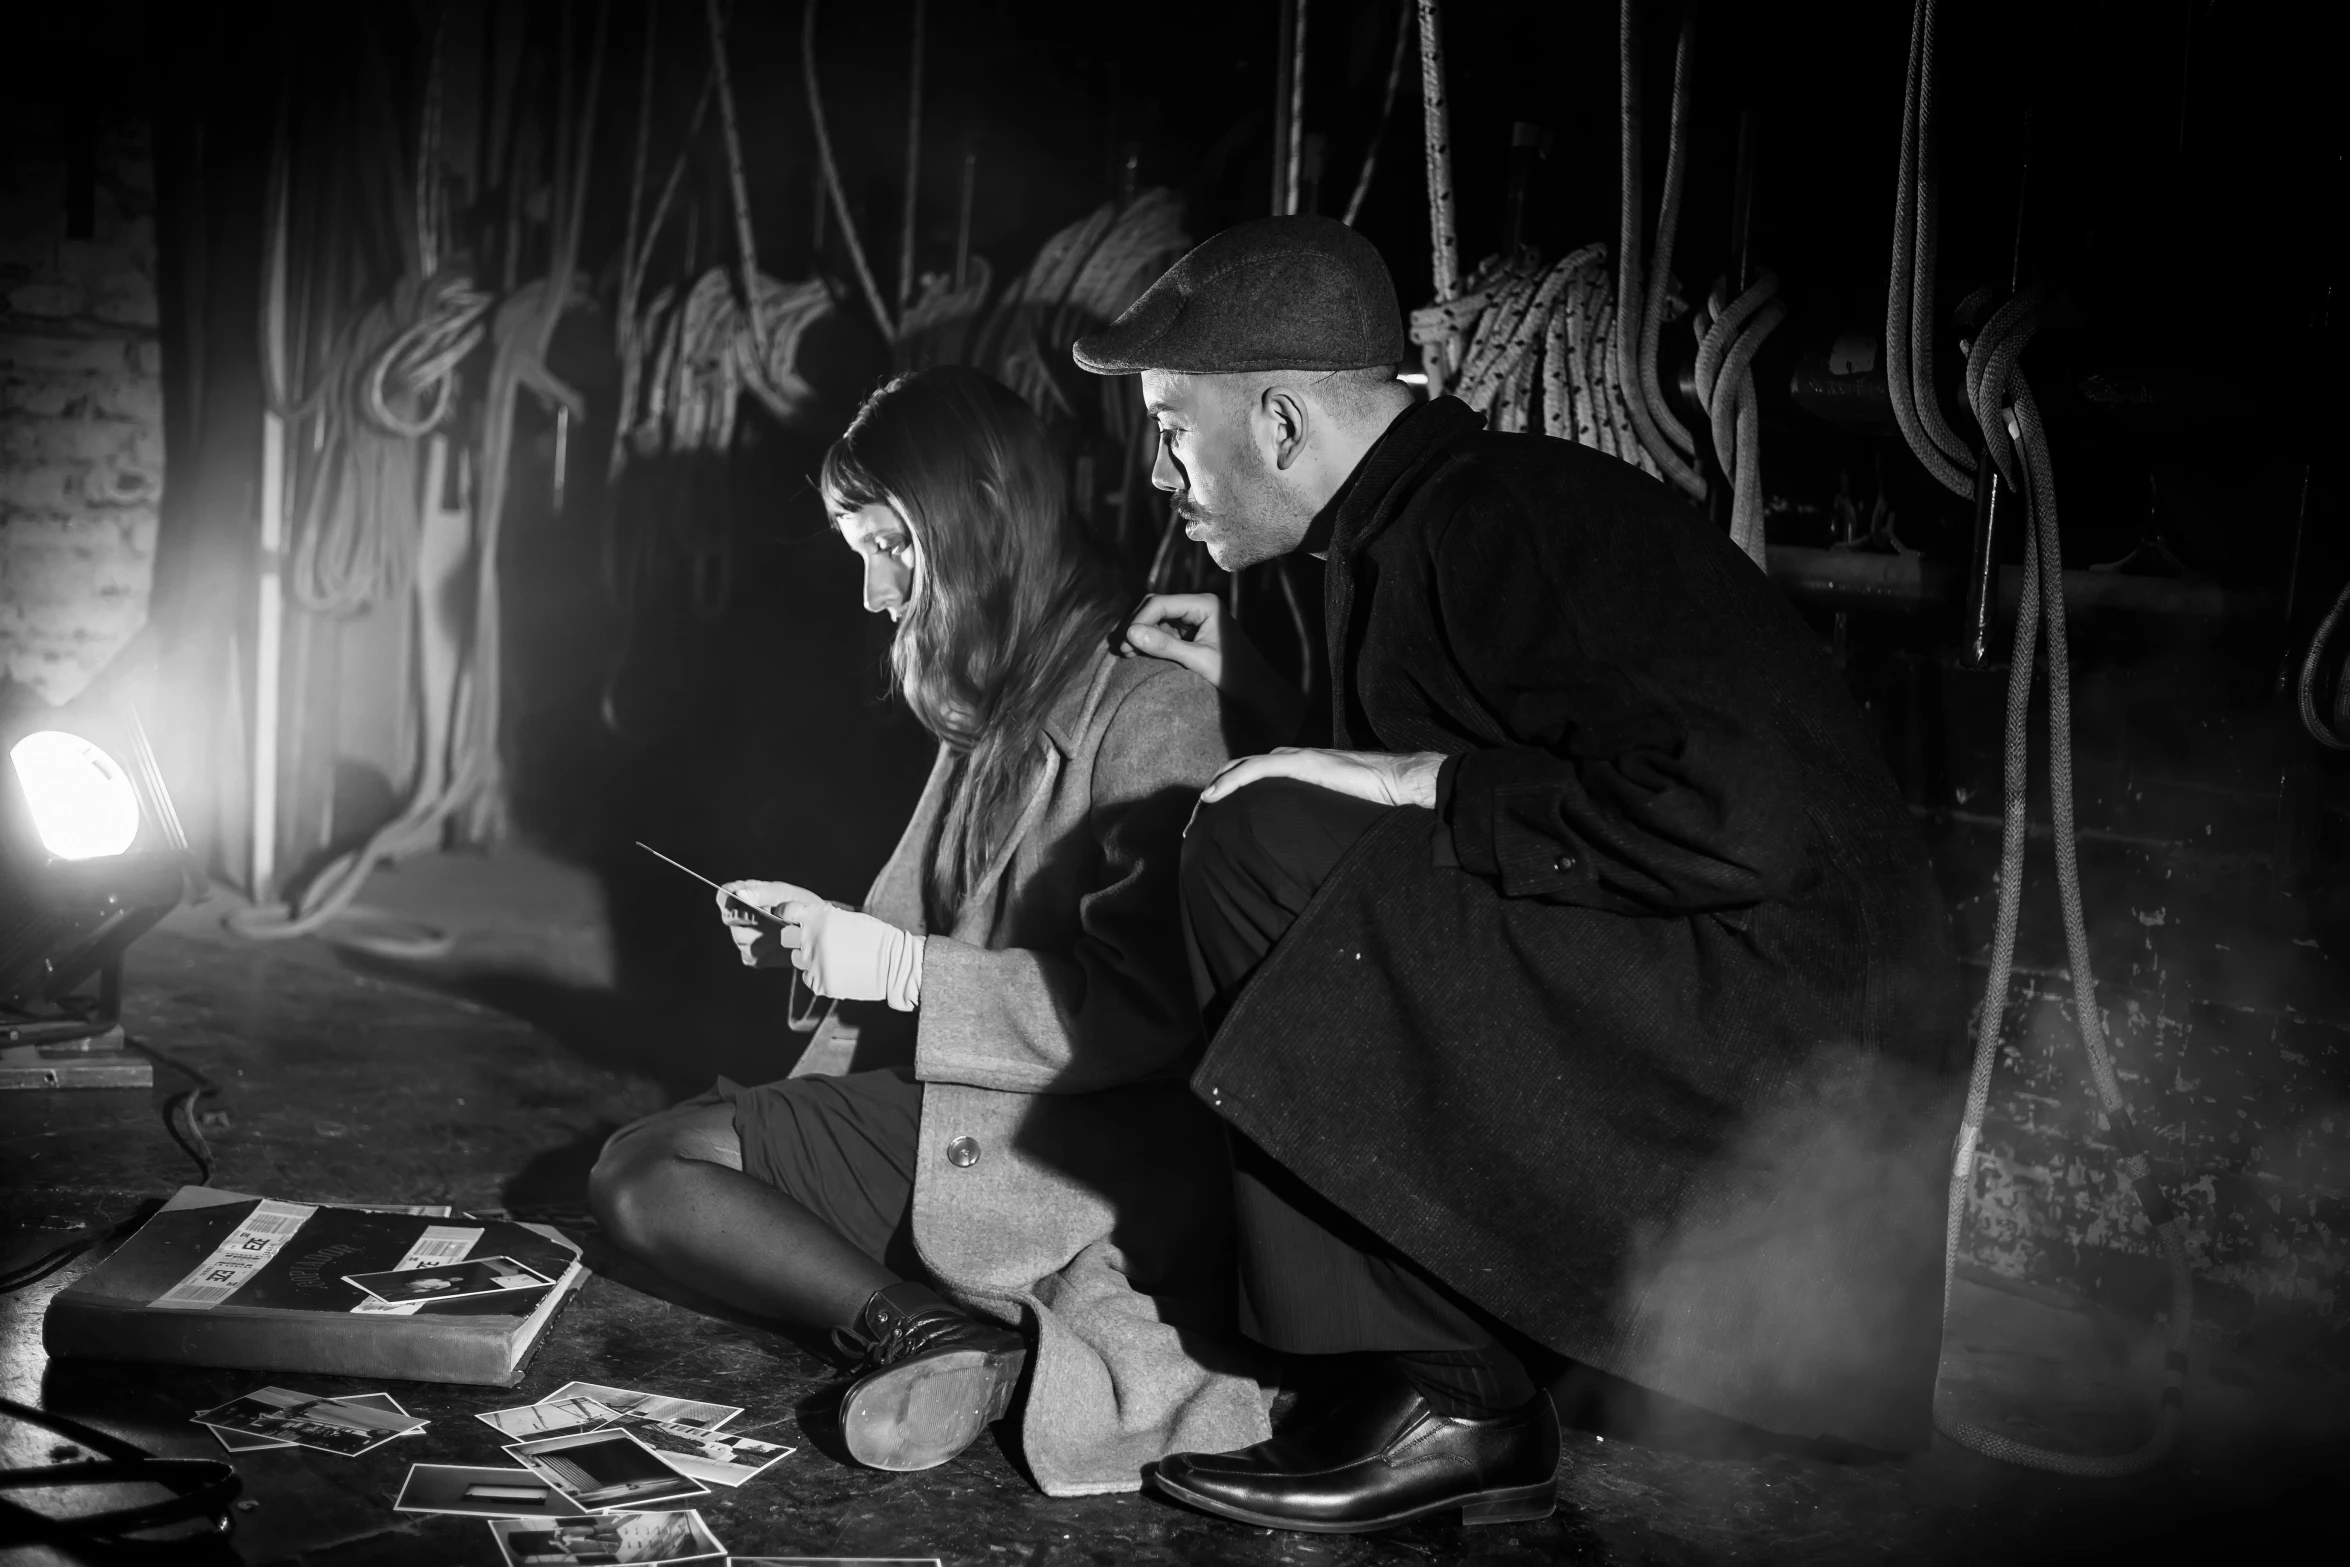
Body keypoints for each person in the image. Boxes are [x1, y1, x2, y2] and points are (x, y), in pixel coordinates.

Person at [1077, 217, 1962, 1534]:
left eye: (1170, 426)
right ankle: (1443, 1360)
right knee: (1254, 819)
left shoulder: (1496, 519)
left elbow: (1741, 818)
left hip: (1792, 1087)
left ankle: (1455, 1398)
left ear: (1274, 423)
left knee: (1257, 840)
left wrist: (1410, 780)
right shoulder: (1413, 527)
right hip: (1756, 1055)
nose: (1161, 472)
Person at [589, 365, 1270, 1493]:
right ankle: (935, 1324)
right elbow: (919, 926)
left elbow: (1153, 1013)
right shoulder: (1006, 692)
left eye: (892, 545)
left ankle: (932, 1333)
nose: (874, 591)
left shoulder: (1156, 702)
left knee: (643, 1172)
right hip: (974, 1100)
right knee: (659, 1174)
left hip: (1083, 1139)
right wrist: (820, 942)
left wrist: (898, 967)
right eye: (861, 548)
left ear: (984, 516)